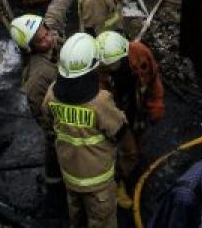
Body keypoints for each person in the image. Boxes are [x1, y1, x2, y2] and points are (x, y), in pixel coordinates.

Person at [43, 33, 138, 228]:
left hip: (70, 177)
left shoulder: (52, 92)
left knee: (76, 218)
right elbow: (123, 136)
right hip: (99, 185)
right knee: (101, 222)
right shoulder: (100, 102)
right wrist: (124, 166)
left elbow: (48, 119)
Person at [10, 0, 83, 187]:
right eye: (41, 41)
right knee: (55, 146)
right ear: (30, 48)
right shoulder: (38, 77)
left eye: (47, 33)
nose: (49, 39)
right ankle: (54, 178)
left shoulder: (49, 30)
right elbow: (40, 111)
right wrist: (57, 131)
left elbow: (59, 5)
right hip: (59, 119)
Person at [96, 31, 164, 138]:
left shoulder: (139, 52)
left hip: (137, 98)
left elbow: (154, 77)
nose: (111, 67)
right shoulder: (99, 70)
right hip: (117, 104)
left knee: (139, 129)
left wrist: (156, 103)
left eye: (113, 63)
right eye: (107, 66)